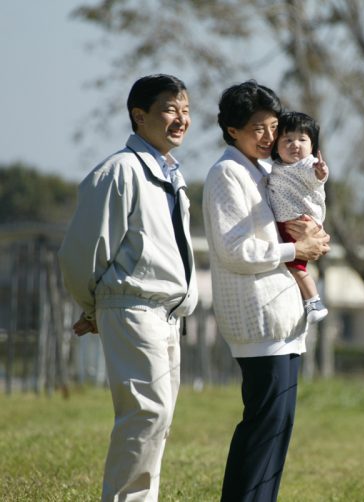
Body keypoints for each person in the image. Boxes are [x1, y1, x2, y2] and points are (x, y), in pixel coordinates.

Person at [58, 74, 198, 501]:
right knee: (146, 416)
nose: (181, 119)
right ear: (139, 117)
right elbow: (82, 252)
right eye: (170, 110)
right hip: (135, 308)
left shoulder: (171, 174)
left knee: (157, 421)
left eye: (186, 110)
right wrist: (94, 306)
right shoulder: (119, 171)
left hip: (166, 315)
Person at [202, 80, 330, 501]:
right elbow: (234, 250)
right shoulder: (227, 173)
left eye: (274, 126)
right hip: (259, 322)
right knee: (263, 430)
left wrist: (311, 234)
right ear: (232, 130)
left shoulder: (264, 172)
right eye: (257, 127)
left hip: (282, 321)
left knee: (277, 430)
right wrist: (298, 247)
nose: (269, 136)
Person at [268, 111, 329, 323]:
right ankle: (308, 300)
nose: (295, 144)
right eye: (288, 139)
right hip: (290, 222)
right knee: (293, 267)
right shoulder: (278, 167)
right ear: (276, 145)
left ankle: (314, 301)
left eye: (303, 139)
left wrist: (320, 171)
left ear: (312, 147)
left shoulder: (304, 165)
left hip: (300, 223)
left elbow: (316, 175)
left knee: (296, 266)